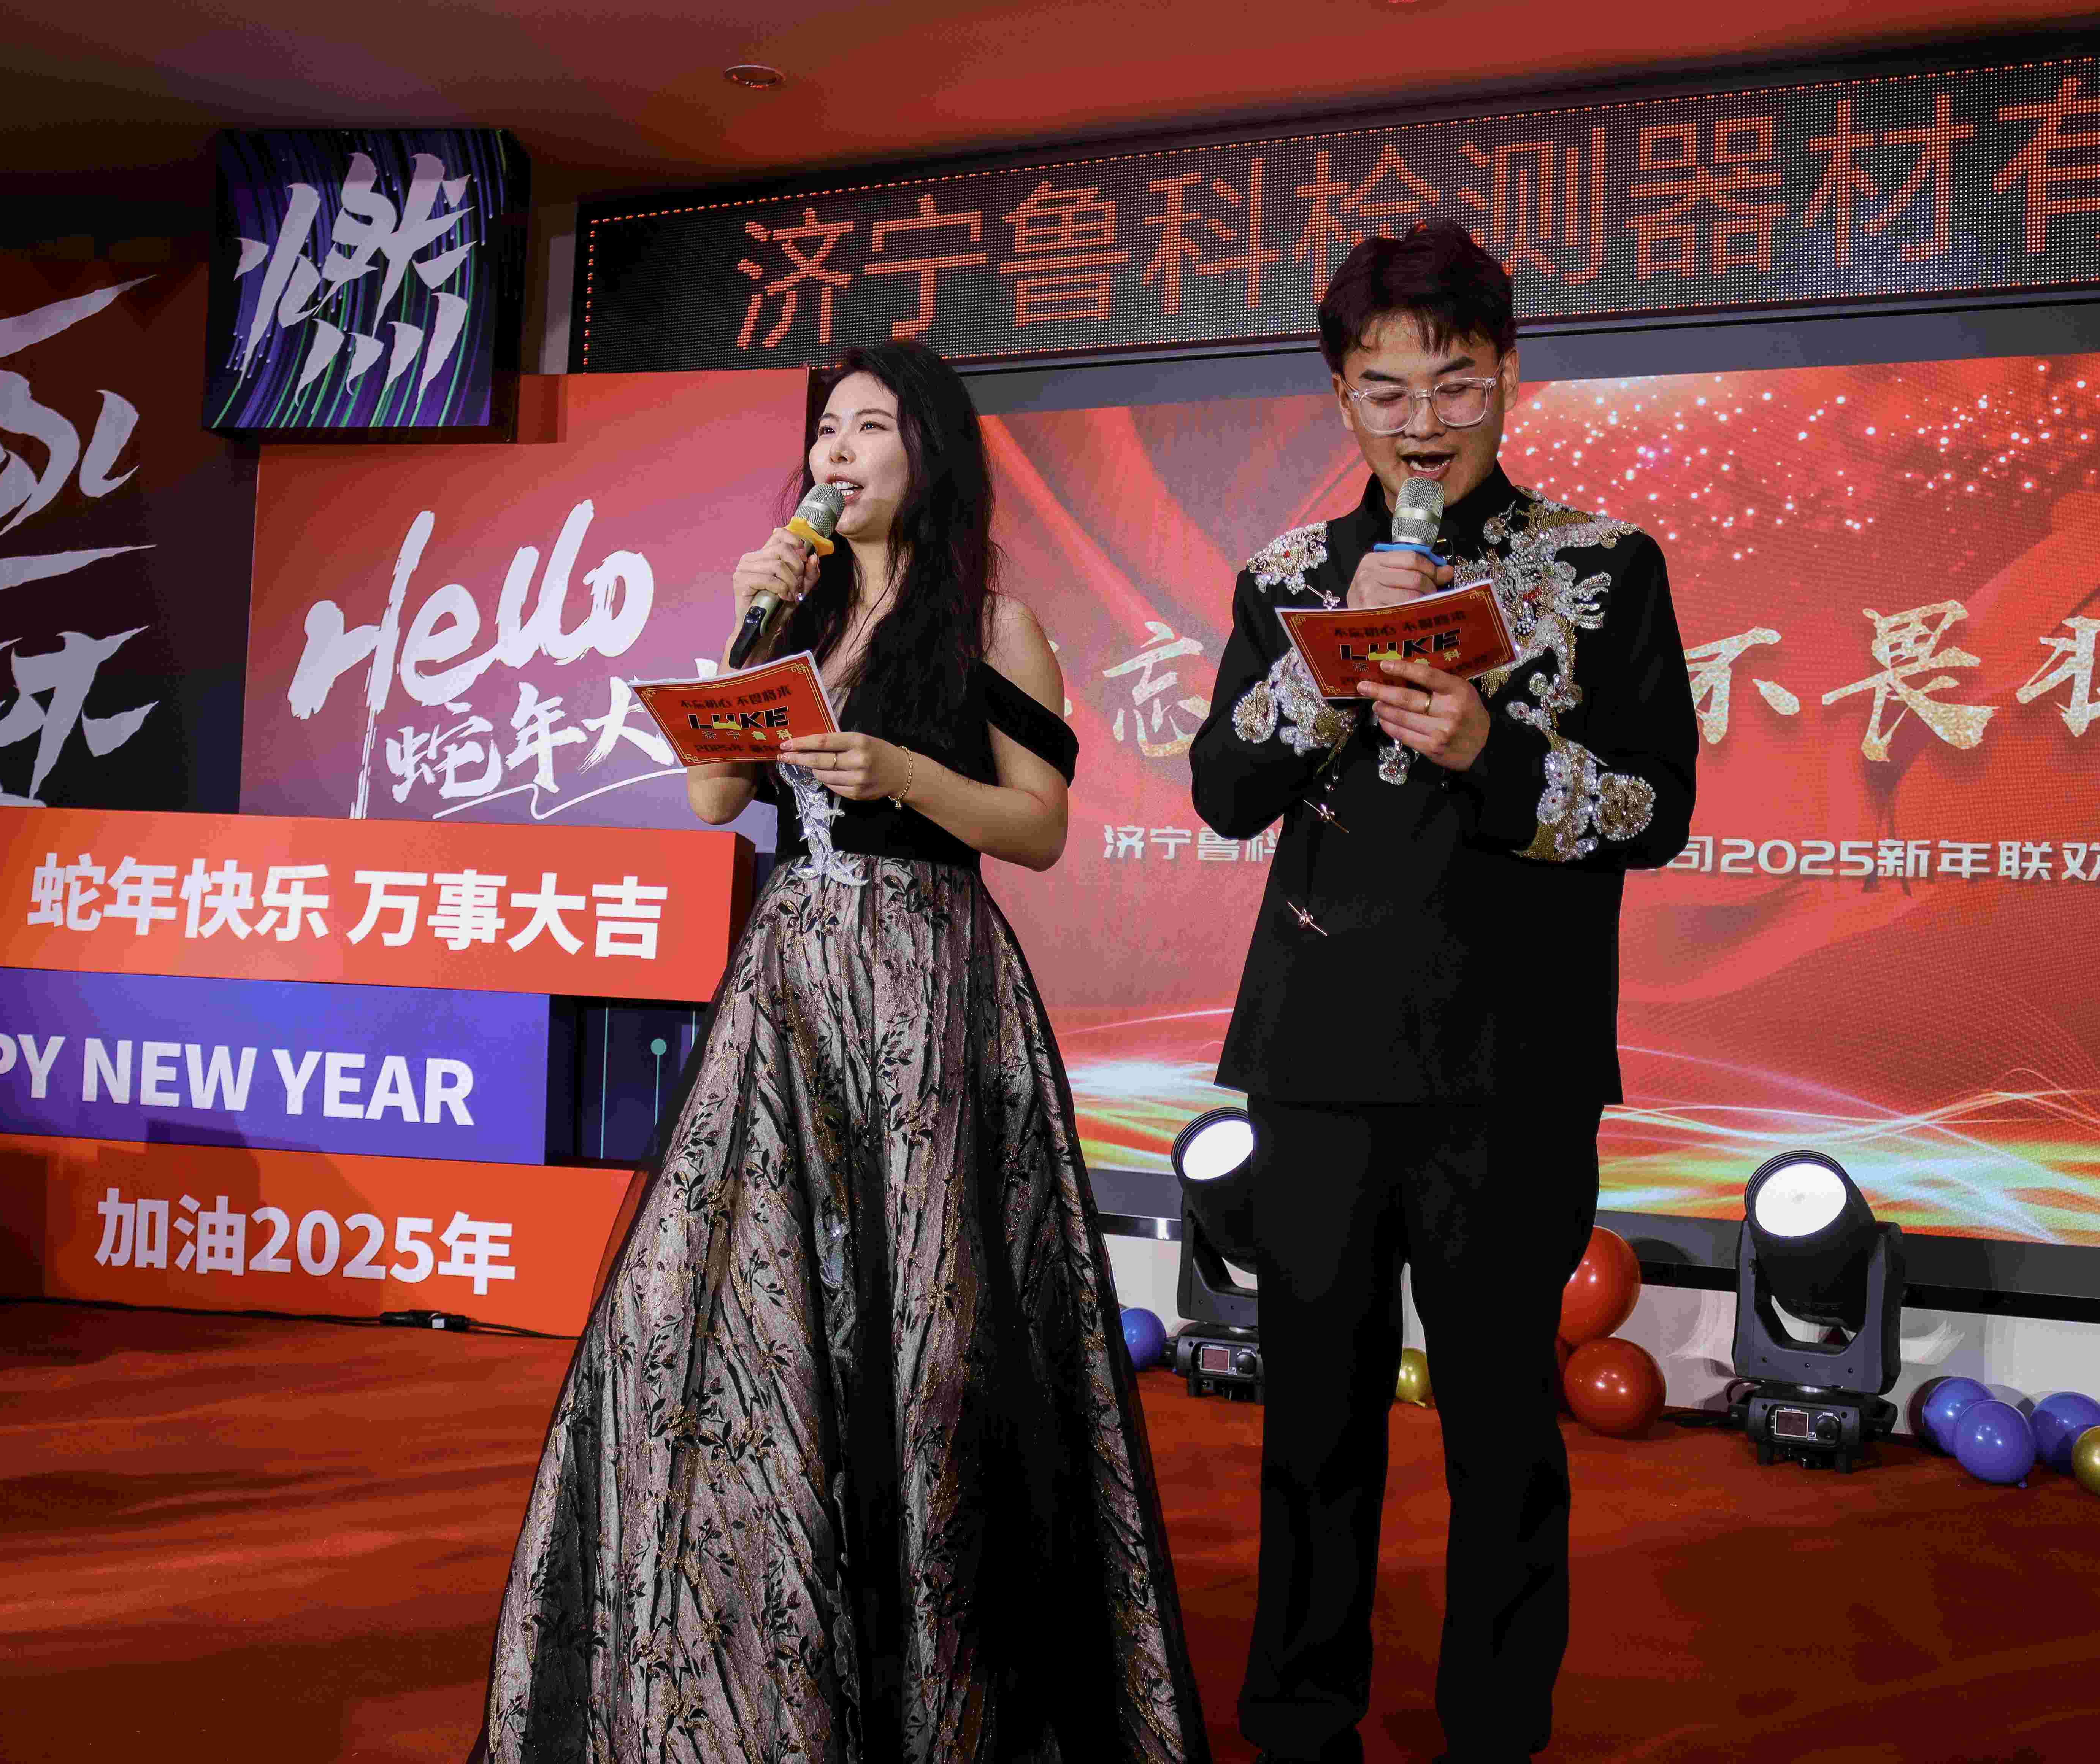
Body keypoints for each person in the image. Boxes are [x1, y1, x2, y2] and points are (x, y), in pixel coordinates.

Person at [477, 338, 1212, 1764]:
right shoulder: (788, 617)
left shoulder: (993, 624)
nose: (838, 449)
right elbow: (713, 798)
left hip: (930, 984)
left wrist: (909, 775)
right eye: (826, 427)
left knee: (933, 1333)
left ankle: (942, 1671)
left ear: (929, 454)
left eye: (871, 426)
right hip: (790, 986)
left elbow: (1039, 828)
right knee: (723, 1317)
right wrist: (742, 624)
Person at [1187, 220, 1697, 1762]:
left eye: (1456, 383)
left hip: (1511, 1061)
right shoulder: (1290, 578)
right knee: (1312, 1427)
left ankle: (1495, 1726)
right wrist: (1327, 665)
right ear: (1341, 396)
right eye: (1387, 389)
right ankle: (1301, 1720)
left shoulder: (1605, 567)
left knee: (1502, 1427)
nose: (1424, 422)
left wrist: (1494, 752)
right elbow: (1223, 792)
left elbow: (1658, 808)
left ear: (1509, 379)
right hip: (1318, 1059)